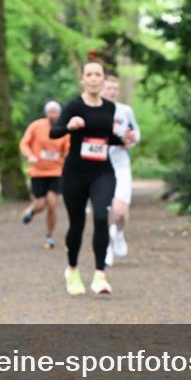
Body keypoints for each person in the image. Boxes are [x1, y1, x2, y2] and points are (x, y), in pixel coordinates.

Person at [50, 61, 136, 296]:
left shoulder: (109, 108)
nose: (94, 78)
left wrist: (123, 139)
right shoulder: (74, 106)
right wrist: (69, 125)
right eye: (89, 74)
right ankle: (73, 269)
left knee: (100, 217)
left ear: (103, 79)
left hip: (103, 172)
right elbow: (54, 132)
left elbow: (106, 136)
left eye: (98, 74)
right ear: (83, 79)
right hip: (75, 173)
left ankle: (100, 275)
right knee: (76, 224)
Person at [19, 100, 71, 249]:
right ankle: (32, 210)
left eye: (55, 112)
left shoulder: (63, 129)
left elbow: (68, 148)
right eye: (50, 112)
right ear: (46, 113)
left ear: (60, 113)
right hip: (38, 171)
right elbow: (24, 143)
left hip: (56, 171)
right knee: (41, 204)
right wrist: (29, 155)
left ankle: (49, 236)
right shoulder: (36, 126)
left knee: (52, 203)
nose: (53, 115)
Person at [101, 75, 141, 263]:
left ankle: (119, 233)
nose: (112, 91)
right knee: (104, 210)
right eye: (108, 88)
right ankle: (107, 246)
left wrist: (131, 139)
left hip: (120, 165)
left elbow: (137, 133)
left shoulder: (125, 111)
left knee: (120, 211)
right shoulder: (93, 111)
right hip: (99, 167)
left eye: (115, 88)